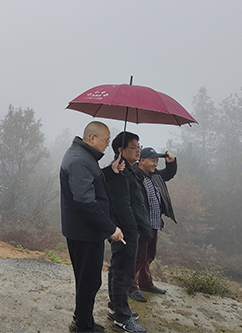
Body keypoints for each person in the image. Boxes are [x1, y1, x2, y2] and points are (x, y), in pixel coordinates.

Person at [60, 121, 124, 333]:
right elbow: (85, 201)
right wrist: (111, 228)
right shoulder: (80, 160)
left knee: (86, 280)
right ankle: (83, 326)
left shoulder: (83, 156)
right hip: (85, 233)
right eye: (106, 140)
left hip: (84, 231)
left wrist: (110, 171)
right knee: (89, 281)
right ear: (92, 138)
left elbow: (91, 181)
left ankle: (82, 319)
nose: (107, 145)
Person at [103, 132, 152, 333]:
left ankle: (116, 307)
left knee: (118, 268)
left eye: (139, 146)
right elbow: (122, 206)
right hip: (125, 232)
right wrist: (132, 231)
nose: (138, 150)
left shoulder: (127, 170)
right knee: (124, 273)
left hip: (127, 231)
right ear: (120, 150)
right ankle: (122, 318)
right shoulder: (119, 173)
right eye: (134, 147)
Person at [128, 147, 177, 302]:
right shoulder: (134, 175)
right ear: (142, 160)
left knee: (149, 255)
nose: (155, 163)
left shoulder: (154, 175)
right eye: (152, 160)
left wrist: (171, 163)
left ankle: (145, 282)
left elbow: (168, 174)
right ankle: (130, 286)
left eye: (157, 160)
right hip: (141, 224)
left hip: (154, 223)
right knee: (138, 257)